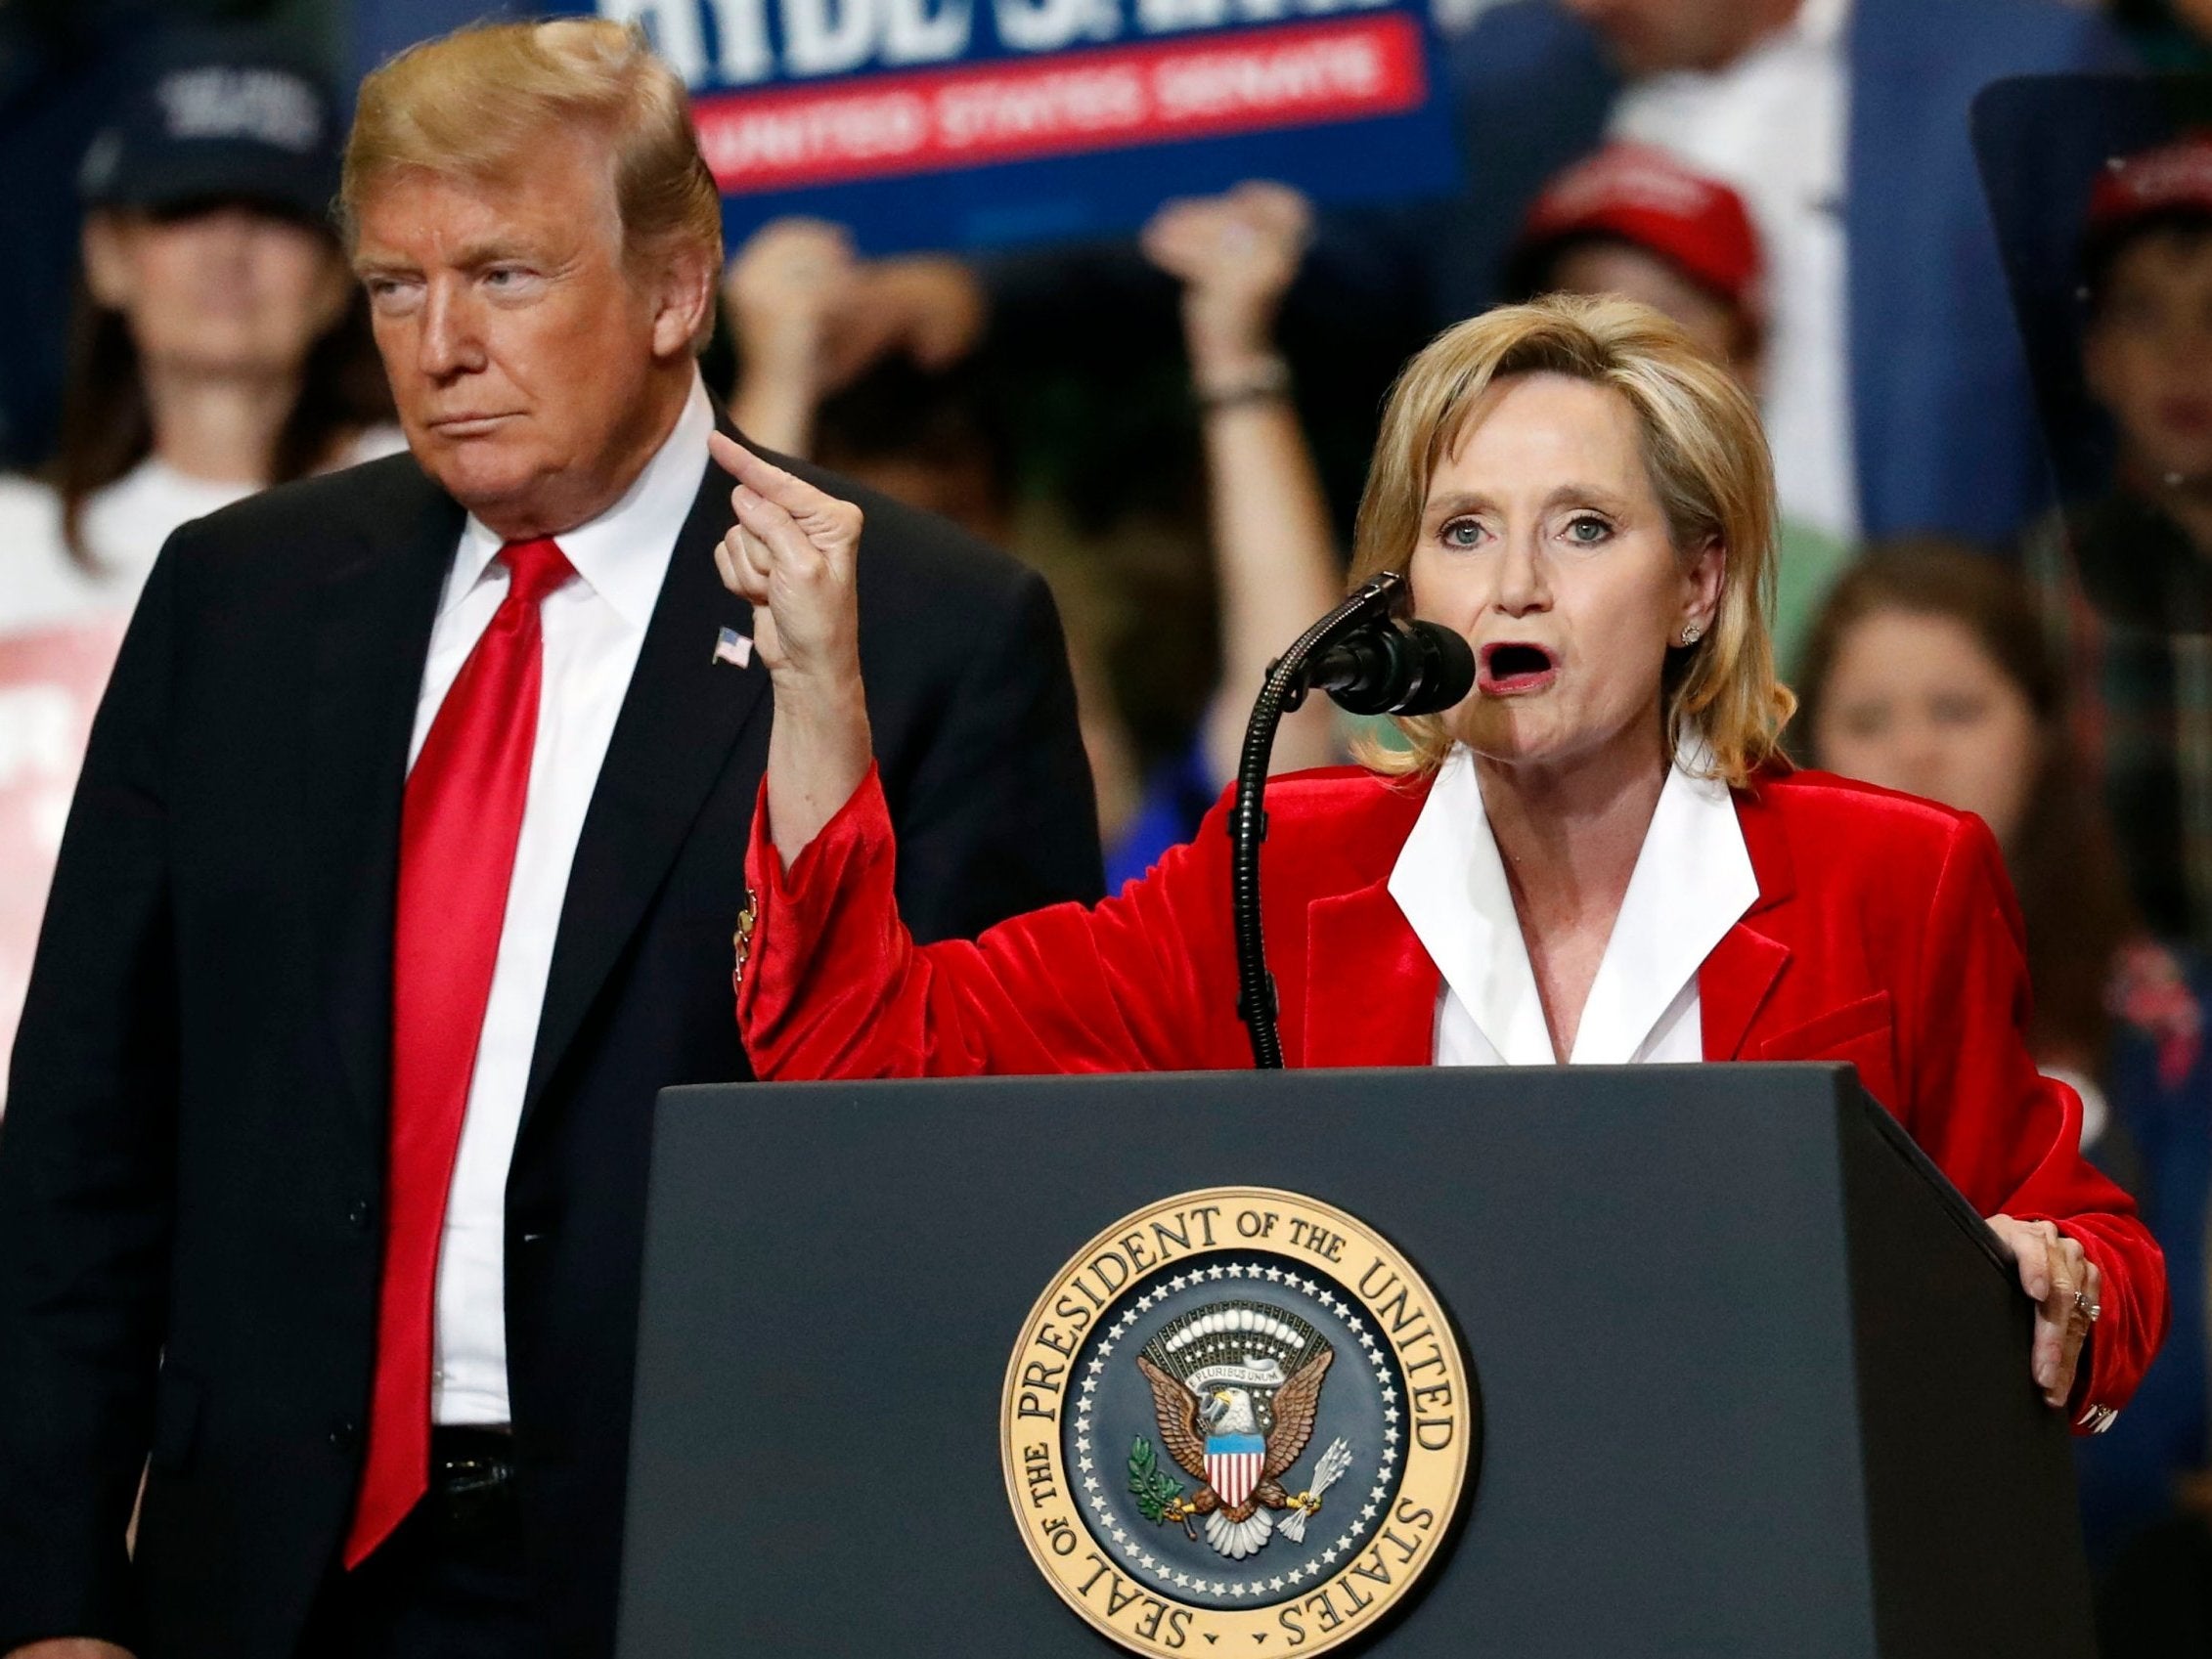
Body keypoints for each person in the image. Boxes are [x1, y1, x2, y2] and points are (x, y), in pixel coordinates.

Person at [0, 19, 1099, 1659]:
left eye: (505, 276)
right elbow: (85, 1132)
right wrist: (51, 1596)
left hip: (717, 1567)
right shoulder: (238, 598)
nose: (438, 344)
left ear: (673, 288)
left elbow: (989, 1190)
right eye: (392, 285)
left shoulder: (924, 629)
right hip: (268, 1576)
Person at [722, 293, 2166, 1436]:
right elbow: (860, 1053)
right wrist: (816, 696)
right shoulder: (1277, 878)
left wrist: (2063, 1287)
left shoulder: (1889, 876)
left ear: (1699, 584)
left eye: (1584, 529)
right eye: (1462, 531)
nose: (1514, 583)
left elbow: (2089, 1251)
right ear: (1404, 592)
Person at [1796, 545, 2212, 1647]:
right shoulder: (1763, 1023)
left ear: (2043, 728)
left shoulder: (2170, 1021)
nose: (1916, 748)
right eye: (1870, 715)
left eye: (1957, 706)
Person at [0, 34, 399, 1099]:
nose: (230, 250)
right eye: (184, 210)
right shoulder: (11, 546)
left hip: (338, 1105)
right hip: (51, 1113)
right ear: (110, 254)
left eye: (274, 214)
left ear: (338, 274)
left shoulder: (442, 497)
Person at [1507, 140, 1852, 676]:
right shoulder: (1464, 571)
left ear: (1749, 353)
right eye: (1578, 316)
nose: (1616, 354)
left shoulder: (1835, 593)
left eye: (1661, 321)